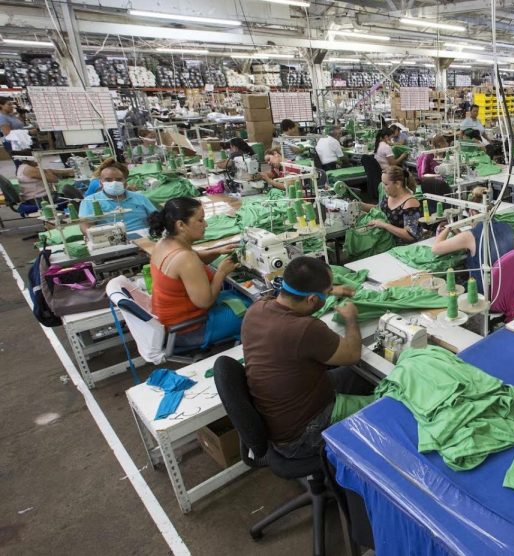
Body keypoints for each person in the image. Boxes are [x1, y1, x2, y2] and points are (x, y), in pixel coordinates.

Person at [242, 256, 372, 460]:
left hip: (279, 417)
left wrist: (333, 291)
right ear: (312, 299)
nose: (330, 294)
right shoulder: (305, 329)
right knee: (389, 403)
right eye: (327, 292)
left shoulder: (256, 310)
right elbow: (353, 355)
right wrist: (350, 319)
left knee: (362, 377)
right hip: (302, 435)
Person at [148, 197, 239, 348]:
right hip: (189, 330)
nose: (206, 224)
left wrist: (218, 251)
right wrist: (221, 272)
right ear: (181, 225)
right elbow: (205, 301)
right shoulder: (185, 258)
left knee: (239, 298)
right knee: (255, 311)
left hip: (168, 323)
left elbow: (195, 258)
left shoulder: (164, 243)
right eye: (200, 220)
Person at [431, 186, 514, 294]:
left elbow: (435, 249)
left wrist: (449, 227)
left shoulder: (470, 236)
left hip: (485, 292)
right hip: (507, 288)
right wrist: (457, 232)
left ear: (471, 212)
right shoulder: (508, 227)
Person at [78, 160, 156, 233]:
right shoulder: (89, 201)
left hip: (144, 236)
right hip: (112, 239)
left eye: (119, 180)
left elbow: (156, 217)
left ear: (125, 182)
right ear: (101, 183)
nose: (114, 183)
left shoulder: (140, 198)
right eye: (108, 180)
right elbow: (85, 225)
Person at [358, 166, 421, 244]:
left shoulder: (410, 203)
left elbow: (410, 236)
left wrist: (384, 225)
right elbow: (379, 208)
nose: (383, 187)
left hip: (403, 246)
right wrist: (360, 205)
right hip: (386, 241)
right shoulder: (389, 196)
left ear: (398, 184)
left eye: (386, 184)